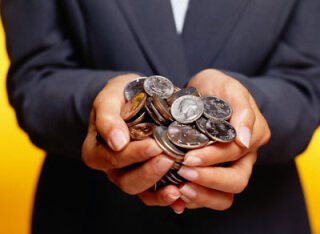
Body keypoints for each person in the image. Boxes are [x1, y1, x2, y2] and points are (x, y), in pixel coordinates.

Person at [1, 0, 320, 233]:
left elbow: (306, 83)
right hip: (91, 213)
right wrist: (99, 103)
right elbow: (36, 76)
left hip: (259, 217)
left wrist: (250, 111)